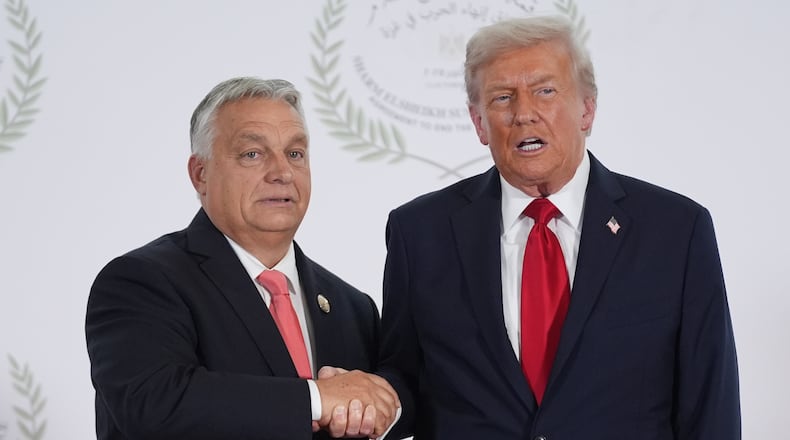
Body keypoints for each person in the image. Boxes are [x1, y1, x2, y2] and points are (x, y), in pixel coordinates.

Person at [376, 16, 741, 439]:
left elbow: (710, 406)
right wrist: (366, 397)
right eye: (501, 98)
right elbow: (405, 381)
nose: (524, 114)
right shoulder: (419, 232)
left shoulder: (677, 231)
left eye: (545, 91)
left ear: (587, 109)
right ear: (478, 123)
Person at [85, 77, 399, 440]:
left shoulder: (352, 307)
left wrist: (382, 407)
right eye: (253, 154)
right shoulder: (140, 282)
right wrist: (316, 398)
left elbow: (379, 407)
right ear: (200, 174)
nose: (282, 172)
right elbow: (155, 404)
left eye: (295, 154)